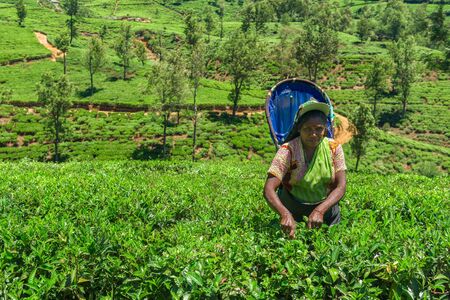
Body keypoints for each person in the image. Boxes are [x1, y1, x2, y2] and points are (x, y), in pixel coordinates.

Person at [263, 99, 347, 239]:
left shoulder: (334, 148)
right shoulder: (288, 150)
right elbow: (269, 189)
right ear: (299, 129)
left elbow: (341, 186)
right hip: (293, 210)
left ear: (325, 129)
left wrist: (320, 211)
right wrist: (285, 214)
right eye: (307, 129)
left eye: (318, 129)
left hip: (327, 211)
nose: (313, 134)